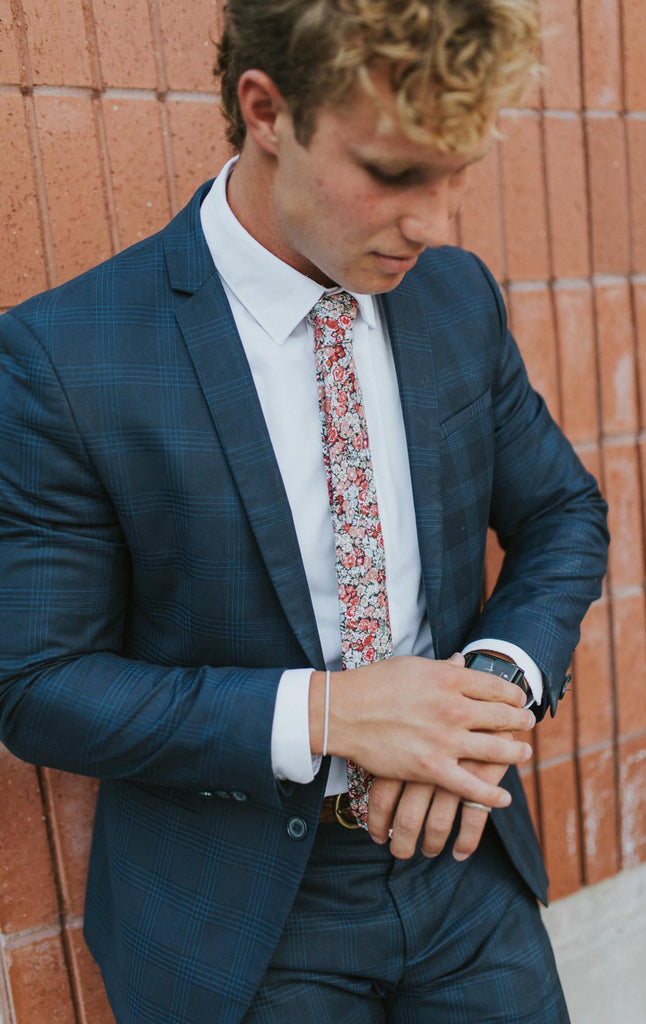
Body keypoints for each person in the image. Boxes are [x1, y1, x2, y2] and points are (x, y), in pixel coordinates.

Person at [0, 1, 609, 1020]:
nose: (433, 223)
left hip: (464, 872)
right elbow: (35, 685)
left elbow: (562, 512)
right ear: (266, 110)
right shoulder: (66, 357)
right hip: (235, 917)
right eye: (392, 172)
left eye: (454, 172)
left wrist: (491, 688)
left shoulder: (455, 296)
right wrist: (328, 714)